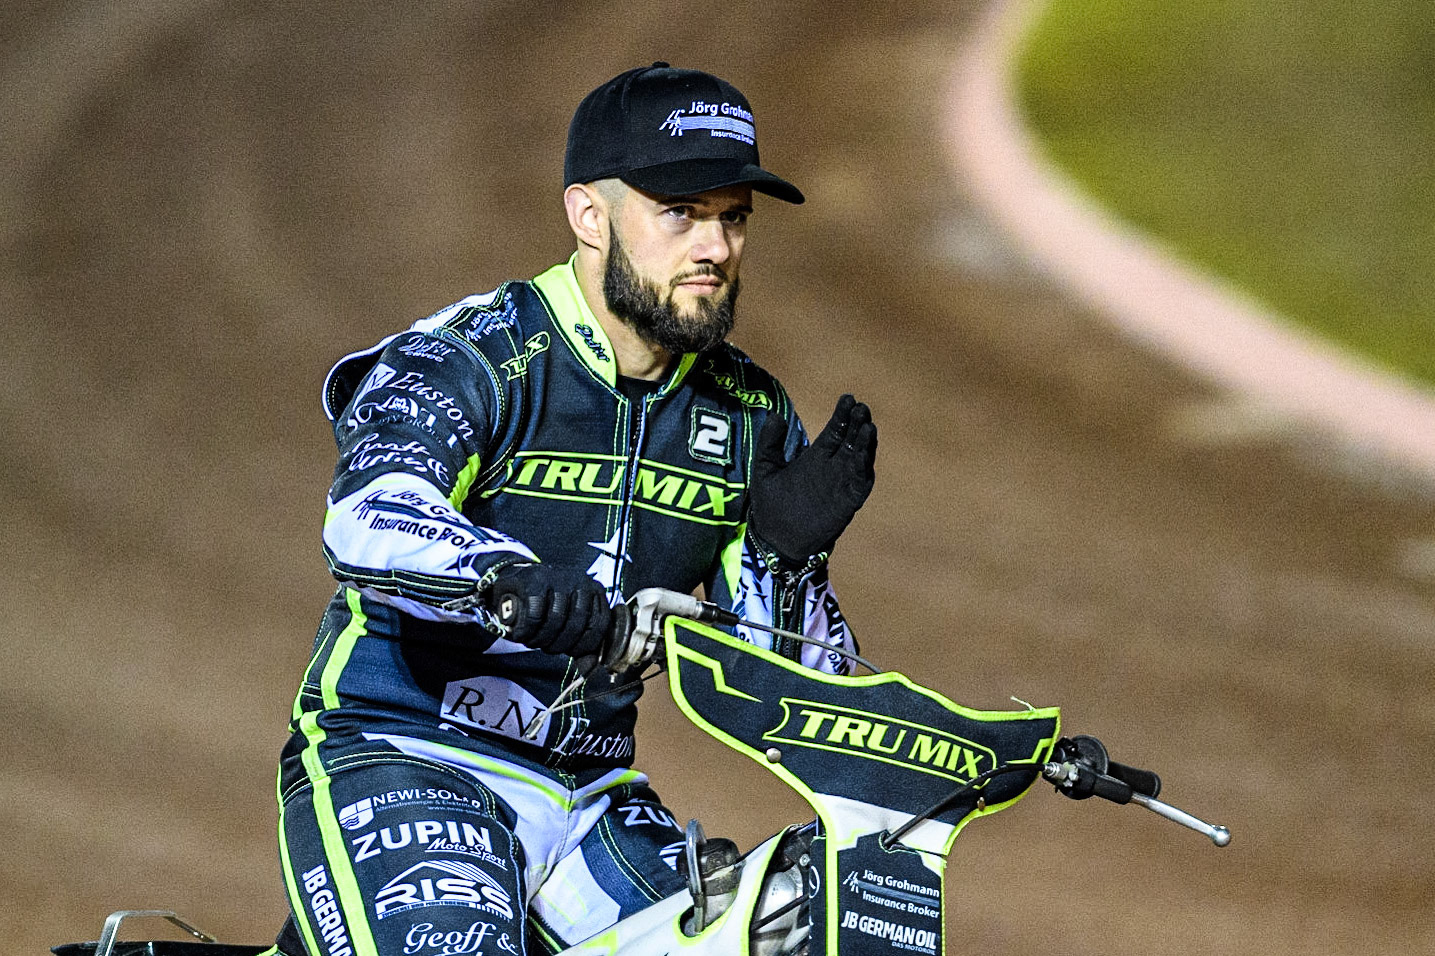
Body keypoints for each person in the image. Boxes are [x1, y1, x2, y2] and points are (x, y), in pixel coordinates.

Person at [271, 62, 877, 956]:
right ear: (588, 215)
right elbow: (370, 512)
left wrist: (785, 559)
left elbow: (793, 685)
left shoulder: (752, 413)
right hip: (406, 753)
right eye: (681, 213)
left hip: (593, 796)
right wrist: (504, 576)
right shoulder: (475, 353)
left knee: (795, 933)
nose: (715, 248)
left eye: (733, 218)